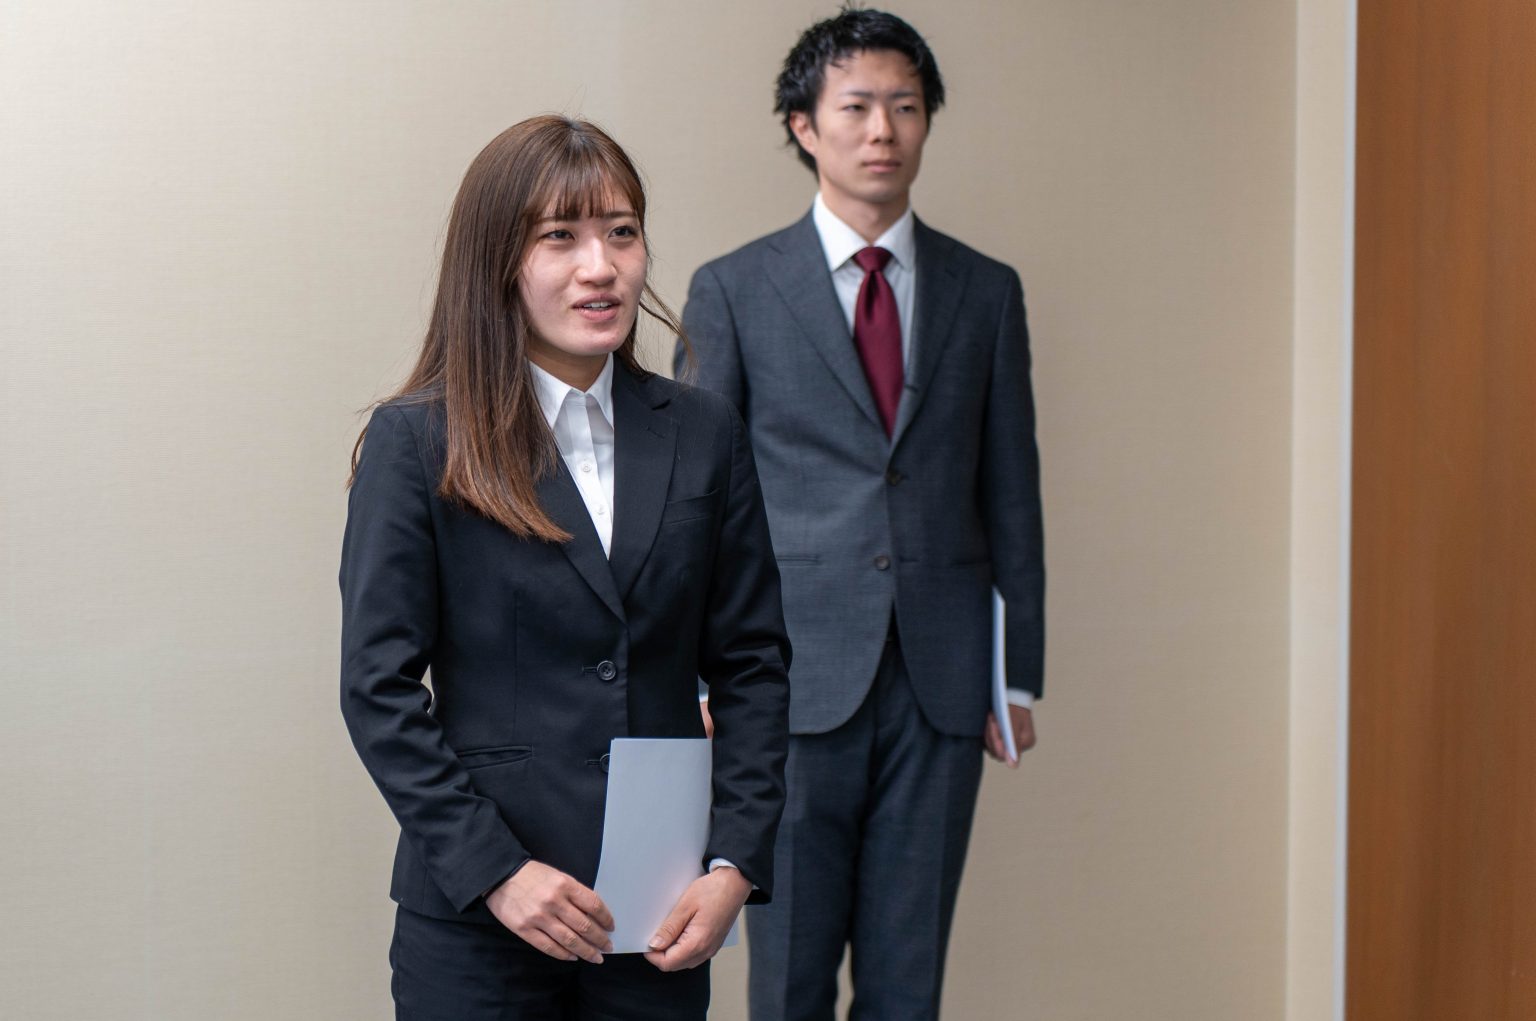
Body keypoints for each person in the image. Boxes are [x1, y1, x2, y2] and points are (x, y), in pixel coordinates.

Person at [341, 115, 790, 1020]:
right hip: (479, 925)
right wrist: (498, 871)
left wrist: (734, 862)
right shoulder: (417, 439)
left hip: (658, 916)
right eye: (561, 237)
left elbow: (753, 664)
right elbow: (377, 688)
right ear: (498, 262)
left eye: (622, 232)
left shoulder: (704, 431)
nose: (602, 266)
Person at [677, 9, 1046, 1019]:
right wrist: (697, 673)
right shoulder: (734, 290)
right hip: (783, 682)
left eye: (906, 106)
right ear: (805, 126)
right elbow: (697, 505)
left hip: (943, 678)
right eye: (856, 107)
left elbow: (1012, 489)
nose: (883, 129)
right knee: (787, 976)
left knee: (907, 981)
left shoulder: (986, 292)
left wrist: (1015, 672)